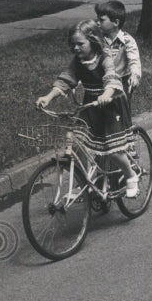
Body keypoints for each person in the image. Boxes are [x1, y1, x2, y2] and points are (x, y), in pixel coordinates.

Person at [35, 19, 138, 198]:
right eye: (73, 44)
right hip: (91, 104)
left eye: (80, 44)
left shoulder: (105, 59)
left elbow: (111, 77)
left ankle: (130, 176)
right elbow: (66, 79)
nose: (76, 48)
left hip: (110, 104)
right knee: (75, 142)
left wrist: (107, 94)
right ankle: (84, 182)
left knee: (111, 149)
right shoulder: (78, 61)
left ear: (93, 41)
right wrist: (48, 97)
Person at [95, 0, 141, 98]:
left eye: (101, 20)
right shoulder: (98, 40)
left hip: (122, 82)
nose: (97, 23)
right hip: (102, 82)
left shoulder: (127, 40)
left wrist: (135, 75)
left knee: (121, 111)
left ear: (115, 22)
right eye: (97, 19)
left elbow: (134, 60)